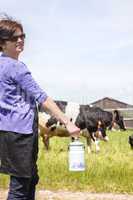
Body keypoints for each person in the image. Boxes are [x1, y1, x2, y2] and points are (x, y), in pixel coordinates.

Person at [0, 16, 80, 200]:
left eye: (22, 36)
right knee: (20, 185)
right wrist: (67, 122)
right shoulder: (16, 68)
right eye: (14, 38)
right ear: (2, 43)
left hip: (7, 131)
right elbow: (42, 98)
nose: (20, 40)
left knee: (30, 178)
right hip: (22, 132)